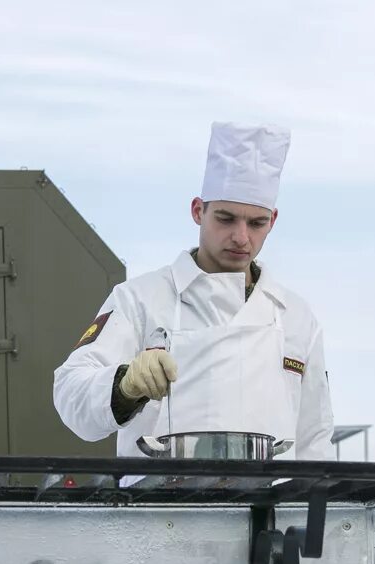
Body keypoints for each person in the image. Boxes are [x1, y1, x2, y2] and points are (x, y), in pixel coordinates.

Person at [52, 121, 334, 459]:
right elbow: (70, 395)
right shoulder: (140, 299)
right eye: (226, 219)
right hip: (158, 509)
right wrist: (124, 386)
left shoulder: (297, 318)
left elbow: (314, 439)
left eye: (256, 223)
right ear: (198, 211)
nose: (241, 237)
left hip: (267, 511)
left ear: (272, 220)